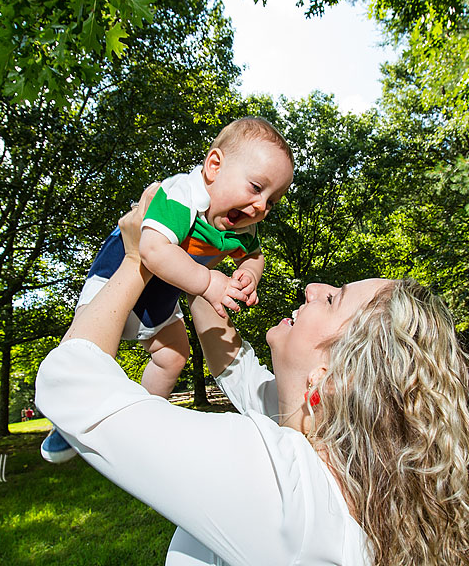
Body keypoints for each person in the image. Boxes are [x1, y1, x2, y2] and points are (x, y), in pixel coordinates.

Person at [35, 186, 469, 566]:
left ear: (334, 379)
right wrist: (200, 268)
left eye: (333, 300)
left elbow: (73, 384)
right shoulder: (320, 458)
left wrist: (139, 257)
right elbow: (231, 363)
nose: (313, 287)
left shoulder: (273, 480)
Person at [40, 117, 294, 463]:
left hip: (159, 301)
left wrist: (249, 273)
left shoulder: (241, 227)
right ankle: (65, 416)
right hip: (114, 281)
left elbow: (255, 255)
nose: (262, 207)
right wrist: (209, 283)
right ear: (214, 166)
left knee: (173, 355)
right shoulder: (181, 196)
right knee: (90, 350)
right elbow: (153, 250)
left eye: (272, 200)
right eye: (255, 187)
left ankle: (136, 422)